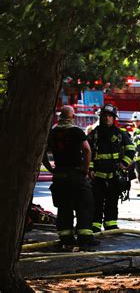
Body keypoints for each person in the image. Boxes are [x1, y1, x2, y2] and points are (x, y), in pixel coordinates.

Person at [42, 106, 99, 247]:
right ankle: (85, 237)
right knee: (84, 204)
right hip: (76, 174)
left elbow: (41, 153)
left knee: (63, 207)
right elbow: (86, 149)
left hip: (59, 175)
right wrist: (85, 170)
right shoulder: (76, 132)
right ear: (72, 117)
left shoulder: (52, 133)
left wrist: (51, 169)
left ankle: (66, 239)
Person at [87, 104, 135, 232]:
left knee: (112, 201)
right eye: (105, 116)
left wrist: (124, 164)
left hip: (115, 174)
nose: (107, 118)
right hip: (98, 175)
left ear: (114, 118)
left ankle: (110, 224)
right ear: (101, 117)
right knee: (96, 201)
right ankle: (95, 225)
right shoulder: (94, 134)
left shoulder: (121, 134)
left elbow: (131, 150)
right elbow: (87, 153)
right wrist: (90, 169)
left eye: (110, 116)